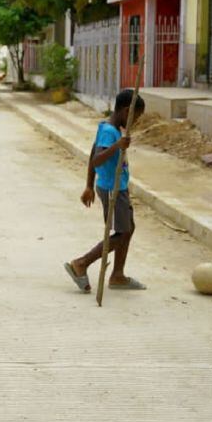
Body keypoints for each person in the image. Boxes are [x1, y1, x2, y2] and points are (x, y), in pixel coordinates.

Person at [64, 89, 147, 293]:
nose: (135, 122)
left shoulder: (106, 126)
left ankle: (118, 275)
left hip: (117, 187)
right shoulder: (111, 132)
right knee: (122, 232)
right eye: (136, 117)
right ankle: (82, 263)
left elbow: (93, 150)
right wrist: (118, 146)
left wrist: (89, 186)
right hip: (113, 189)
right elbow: (97, 158)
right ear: (127, 111)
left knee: (128, 228)